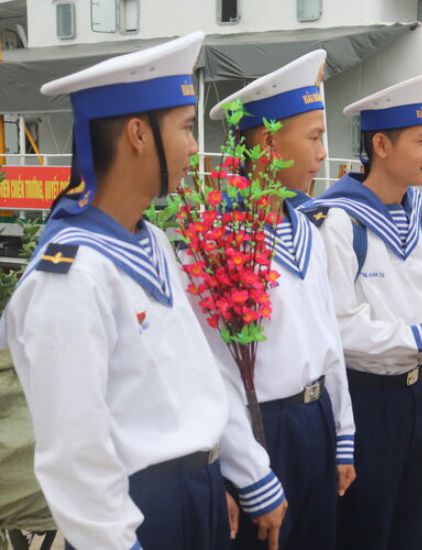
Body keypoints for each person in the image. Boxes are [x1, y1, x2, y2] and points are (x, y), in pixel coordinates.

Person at [2, 32, 284, 549]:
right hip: (140, 511)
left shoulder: (150, 239)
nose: (195, 148)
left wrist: (230, 471)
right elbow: (74, 454)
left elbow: (195, 375)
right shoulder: (71, 274)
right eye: (184, 128)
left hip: (195, 493)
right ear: (137, 133)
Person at [301, 71, 422, 550]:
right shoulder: (337, 221)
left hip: (411, 397)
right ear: (381, 144)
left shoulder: (416, 216)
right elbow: (340, 326)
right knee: (362, 531)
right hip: (362, 401)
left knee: (406, 528)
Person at [205, 49, 355, 550]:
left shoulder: (307, 230)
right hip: (261, 429)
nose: (321, 153)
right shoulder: (219, 239)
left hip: (314, 420)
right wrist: (245, 468)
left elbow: (327, 335)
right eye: (313, 137)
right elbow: (214, 370)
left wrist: (343, 432)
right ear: (269, 141)